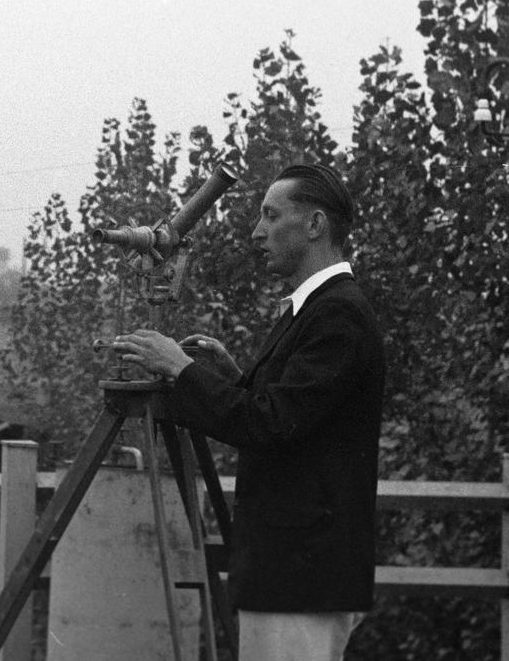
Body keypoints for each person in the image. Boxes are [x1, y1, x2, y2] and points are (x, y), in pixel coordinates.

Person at [115, 162, 385, 661]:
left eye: (270, 215)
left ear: (314, 225)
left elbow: (270, 423)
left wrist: (181, 369)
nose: (257, 231)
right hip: (293, 569)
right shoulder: (317, 308)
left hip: (300, 573)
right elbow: (294, 415)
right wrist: (230, 377)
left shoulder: (337, 313)